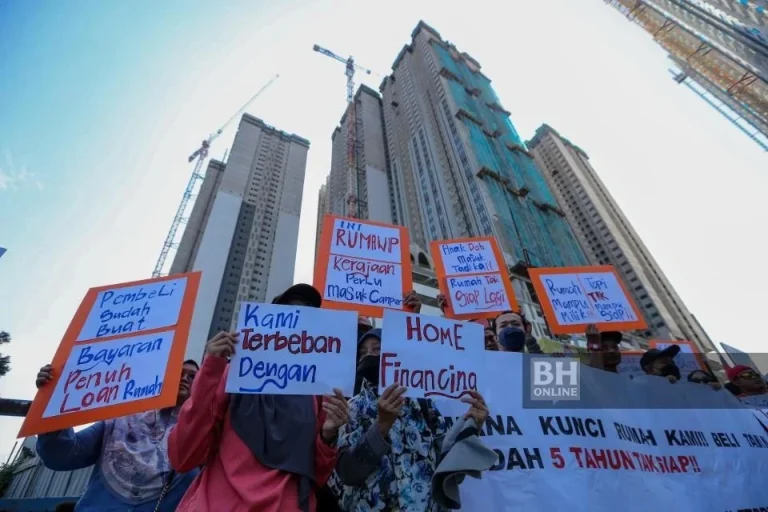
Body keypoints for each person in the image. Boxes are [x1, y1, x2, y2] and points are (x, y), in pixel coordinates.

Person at [168, 283, 350, 512]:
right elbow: (183, 455)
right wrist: (210, 369)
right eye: (288, 312)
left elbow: (319, 475)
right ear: (266, 326)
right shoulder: (231, 376)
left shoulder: (318, 393)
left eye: (307, 314)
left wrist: (328, 436)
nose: (297, 319)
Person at [330, 328, 490, 511]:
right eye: (363, 353)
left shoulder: (423, 405)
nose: (369, 356)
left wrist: (473, 425)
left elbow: (448, 471)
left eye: (377, 349)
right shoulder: (353, 408)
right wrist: (381, 426)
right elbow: (347, 473)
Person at [35, 360, 201, 512]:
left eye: (192, 376)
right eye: (178, 373)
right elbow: (61, 454)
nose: (184, 378)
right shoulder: (120, 420)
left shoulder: (203, 438)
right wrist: (54, 398)